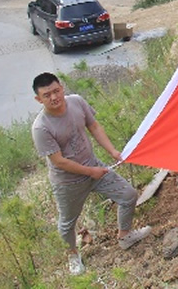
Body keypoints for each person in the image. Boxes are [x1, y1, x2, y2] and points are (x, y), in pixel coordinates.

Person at [31, 72, 151, 275]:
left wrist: (112, 151)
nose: (53, 97)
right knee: (67, 222)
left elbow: (93, 126)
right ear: (38, 99)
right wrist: (90, 172)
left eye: (56, 91)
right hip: (68, 182)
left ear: (62, 88)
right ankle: (72, 255)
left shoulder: (76, 102)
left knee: (128, 195)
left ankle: (125, 235)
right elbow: (59, 161)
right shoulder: (41, 127)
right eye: (46, 95)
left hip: (94, 166)